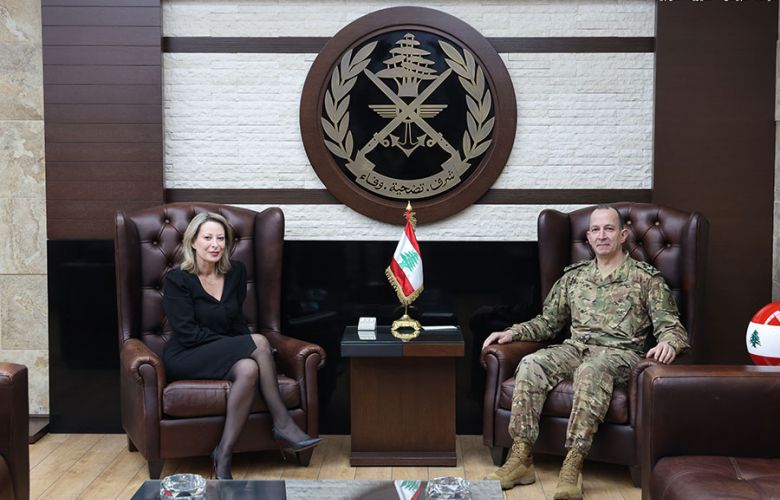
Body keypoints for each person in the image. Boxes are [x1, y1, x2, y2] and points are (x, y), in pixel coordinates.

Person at [481, 205, 689, 499]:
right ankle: (521, 458)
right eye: (595, 230)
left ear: (622, 235)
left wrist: (668, 342)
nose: (601, 235)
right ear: (588, 237)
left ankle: (573, 464)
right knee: (531, 363)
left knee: (591, 370)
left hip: (619, 354)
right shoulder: (574, 277)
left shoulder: (646, 279)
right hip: (575, 349)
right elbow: (548, 322)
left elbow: (672, 327)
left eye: (609, 229)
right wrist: (513, 332)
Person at [163, 212, 320, 480]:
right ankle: (283, 423)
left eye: (221, 238)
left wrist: (248, 351)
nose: (215, 244)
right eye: (208, 238)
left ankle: (223, 453)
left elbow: (236, 322)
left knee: (249, 368)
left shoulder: (235, 272)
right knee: (258, 342)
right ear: (193, 242)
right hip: (187, 354)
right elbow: (187, 334)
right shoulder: (176, 279)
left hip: (221, 351)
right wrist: (244, 346)